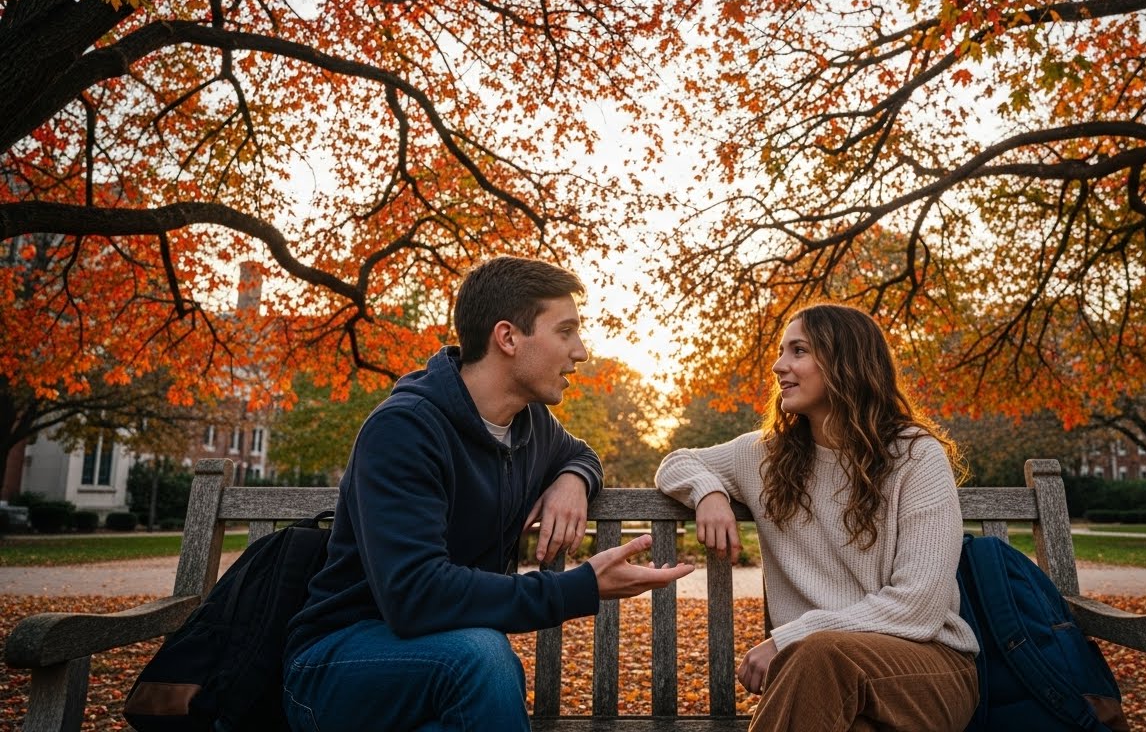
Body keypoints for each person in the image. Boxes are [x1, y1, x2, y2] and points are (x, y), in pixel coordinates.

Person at [283, 255, 693, 732]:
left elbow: (582, 454)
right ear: (508, 337)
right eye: (565, 332)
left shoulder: (531, 425)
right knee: (481, 655)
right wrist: (579, 586)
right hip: (339, 661)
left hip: (444, 670)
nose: (580, 351)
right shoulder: (404, 429)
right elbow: (417, 597)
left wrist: (573, 479)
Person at [655, 303, 979, 731]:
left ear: (846, 363)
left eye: (798, 351)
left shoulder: (915, 456)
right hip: (818, 680)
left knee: (821, 653)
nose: (778, 365)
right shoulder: (766, 455)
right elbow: (676, 463)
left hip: (926, 668)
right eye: (782, 351)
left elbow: (917, 607)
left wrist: (793, 637)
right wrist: (709, 491)